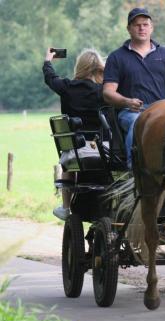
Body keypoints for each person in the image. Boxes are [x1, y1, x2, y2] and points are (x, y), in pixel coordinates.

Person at [103, 7, 165, 168]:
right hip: (132, 112)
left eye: (145, 24)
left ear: (151, 28)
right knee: (137, 122)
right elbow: (108, 92)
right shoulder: (116, 57)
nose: (142, 28)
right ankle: (133, 172)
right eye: (137, 25)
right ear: (128, 29)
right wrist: (127, 102)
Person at [43, 47, 106, 220]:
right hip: (103, 149)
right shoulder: (103, 91)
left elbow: (50, 78)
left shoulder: (67, 87)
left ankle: (65, 207)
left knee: (68, 159)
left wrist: (48, 60)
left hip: (77, 151)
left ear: (79, 67)